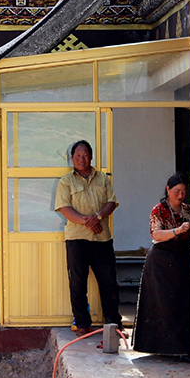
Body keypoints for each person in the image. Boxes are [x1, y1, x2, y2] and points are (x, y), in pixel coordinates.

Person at [54, 140, 123, 337]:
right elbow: (65, 208)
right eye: (77, 156)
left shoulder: (103, 178)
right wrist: (87, 221)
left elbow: (112, 202)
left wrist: (98, 217)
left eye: (85, 155)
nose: (81, 159)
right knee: (77, 283)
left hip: (102, 239)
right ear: (72, 158)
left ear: (91, 157)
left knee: (109, 282)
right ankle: (83, 324)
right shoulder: (66, 181)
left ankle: (113, 322)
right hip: (77, 239)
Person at [133, 174, 190, 363]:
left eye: (184, 192)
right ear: (167, 190)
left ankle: (183, 349)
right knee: (162, 304)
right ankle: (159, 347)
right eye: (177, 191)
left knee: (184, 303)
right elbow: (156, 234)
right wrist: (177, 231)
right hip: (161, 261)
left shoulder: (189, 211)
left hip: (182, 259)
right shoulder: (159, 210)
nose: (180, 196)